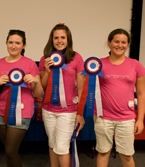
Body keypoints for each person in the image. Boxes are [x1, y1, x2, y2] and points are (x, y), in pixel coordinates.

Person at [0, 29, 43, 167]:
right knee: (9, 151)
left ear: (23, 45)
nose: (13, 46)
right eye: (10, 42)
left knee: (10, 151)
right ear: (6, 43)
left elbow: (38, 94)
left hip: (22, 112)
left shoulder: (30, 64)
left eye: (17, 43)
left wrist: (35, 82)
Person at [94, 28, 145, 167]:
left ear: (128, 44)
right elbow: (88, 88)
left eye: (123, 42)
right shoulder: (98, 65)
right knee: (103, 152)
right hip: (103, 117)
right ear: (109, 43)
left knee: (127, 155)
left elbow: (141, 94)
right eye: (116, 41)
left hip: (126, 119)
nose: (120, 45)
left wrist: (140, 119)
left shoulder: (136, 65)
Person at [39, 23, 85, 167]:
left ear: (68, 39)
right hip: (48, 110)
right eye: (56, 38)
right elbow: (43, 86)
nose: (59, 41)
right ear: (51, 39)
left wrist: (80, 113)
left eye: (63, 37)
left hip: (68, 111)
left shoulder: (76, 58)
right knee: (52, 145)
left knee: (62, 148)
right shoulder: (45, 58)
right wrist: (47, 70)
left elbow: (81, 88)